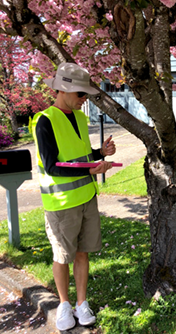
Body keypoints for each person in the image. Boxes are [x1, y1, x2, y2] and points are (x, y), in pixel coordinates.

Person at [31, 62, 116, 331]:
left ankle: (81, 303)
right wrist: (92, 167)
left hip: (87, 197)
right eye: (82, 95)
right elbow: (52, 165)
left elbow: (80, 156)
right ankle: (64, 305)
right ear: (65, 90)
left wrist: (100, 153)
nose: (85, 100)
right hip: (61, 203)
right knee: (62, 256)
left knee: (82, 253)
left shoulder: (80, 118)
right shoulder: (45, 120)